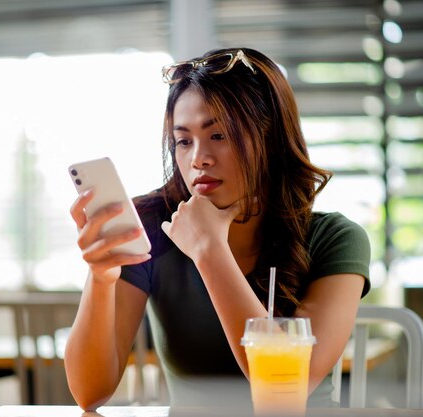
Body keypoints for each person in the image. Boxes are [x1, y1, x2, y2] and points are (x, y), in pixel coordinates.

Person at [64, 47, 370, 411]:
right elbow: (89, 392)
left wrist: (210, 250)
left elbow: (284, 386)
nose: (198, 159)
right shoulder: (153, 227)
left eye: (220, 135)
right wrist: (101, 279)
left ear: (270, 140)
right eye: (183, 140)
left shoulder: (336, 238)